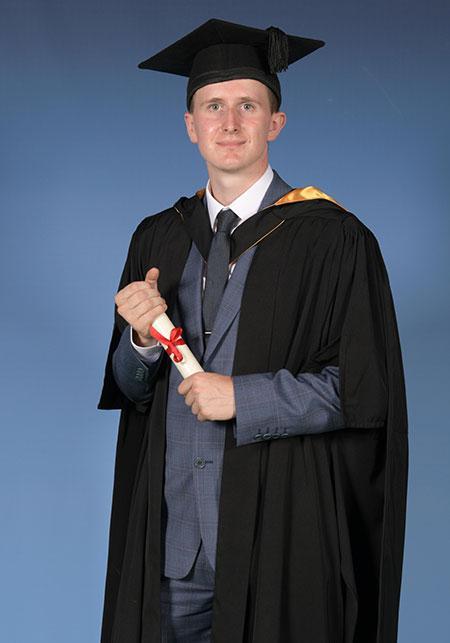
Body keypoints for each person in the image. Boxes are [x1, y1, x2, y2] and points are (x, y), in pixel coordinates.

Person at [98, 18, 408, 643]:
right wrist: (137, 343)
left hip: (281, 539)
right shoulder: (157, 237)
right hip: (172, 547)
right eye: (213, 106)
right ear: (191, 124)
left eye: (248, 105)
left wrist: (243, 397)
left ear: (276, 122)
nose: (230, 122)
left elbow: (363, 392)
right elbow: (130, 390)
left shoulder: (333, 239)